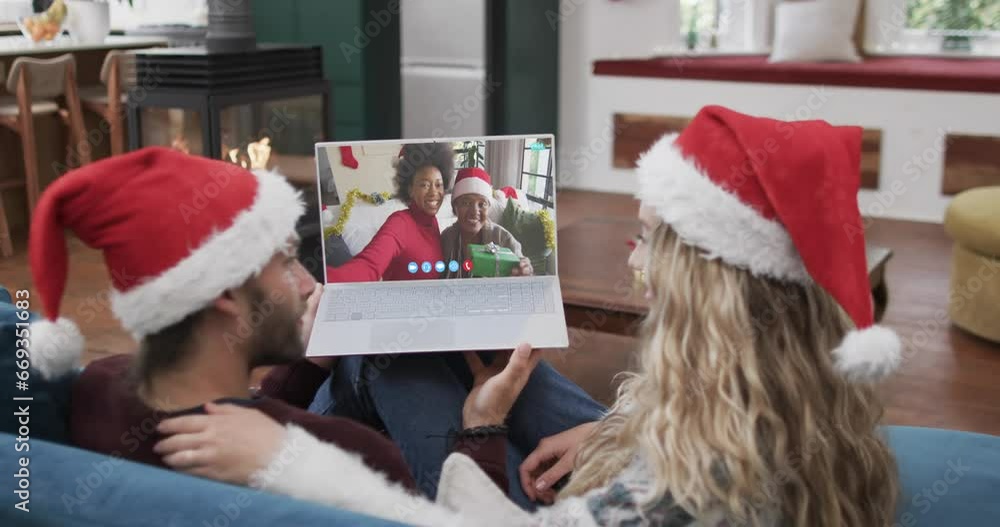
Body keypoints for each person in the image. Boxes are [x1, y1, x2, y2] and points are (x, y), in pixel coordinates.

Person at [154, 106, 903, 526]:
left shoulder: (672, 498)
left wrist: (481, 427)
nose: (633, 256)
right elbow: (371, 266)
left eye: (647, 238)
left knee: (390, 359)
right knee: (412, 348)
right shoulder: (793, 404)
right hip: (627, 448)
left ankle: (306, 404)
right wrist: (619, 429)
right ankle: (320, 388)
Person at [26, 147, 533, 495]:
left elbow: (242, 409)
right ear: (225, 291)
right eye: (289, 262)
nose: (309, 282)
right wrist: (482, 429)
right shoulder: (352, 458)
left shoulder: (99, 385)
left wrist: (311, 363)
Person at [326, 142, 454, 282]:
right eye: (424, 184)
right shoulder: (400, 223)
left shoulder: (432, 221)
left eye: (438, 184)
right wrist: (324, 283)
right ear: (410, 189)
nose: (434, 192)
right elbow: (369, 265)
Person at [440, 167, 533, 278]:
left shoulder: (503, 238)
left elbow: (521, 268)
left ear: (488, 208)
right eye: (466, 203)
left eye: (482, 204)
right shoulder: (446, 238)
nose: (474, 212)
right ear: (455, 207)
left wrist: (525, 270)